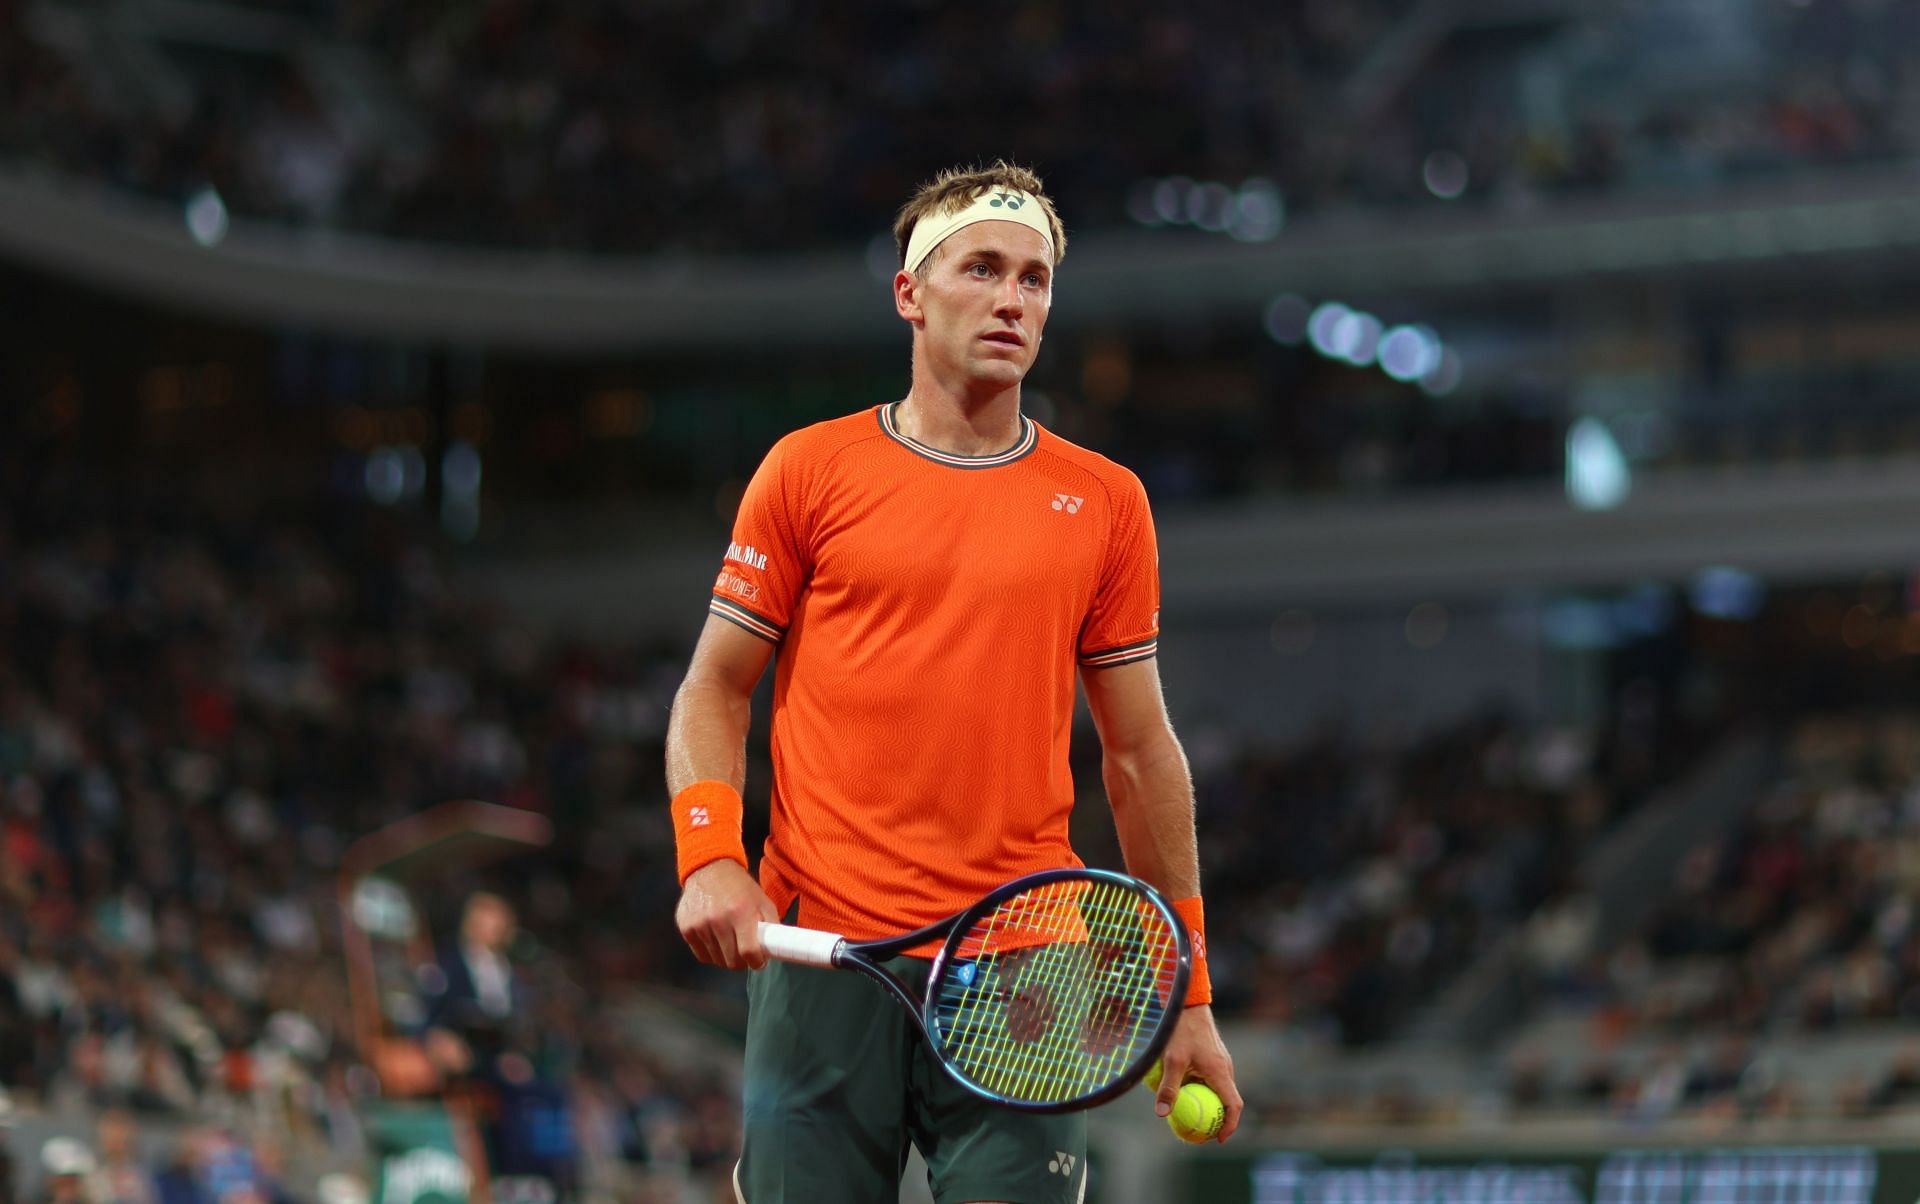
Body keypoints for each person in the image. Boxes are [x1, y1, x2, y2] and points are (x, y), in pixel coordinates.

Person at [666, 161, 1243, 1204]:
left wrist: (1189, 991)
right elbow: (714, 688)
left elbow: (1139, 751)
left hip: (1027, 966)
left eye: (1034, 278)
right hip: (823, 954)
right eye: (982, 267)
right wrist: (711, 854)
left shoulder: (1106, 503)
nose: (1013, 298)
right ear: (910, 293)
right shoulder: (808, 471)